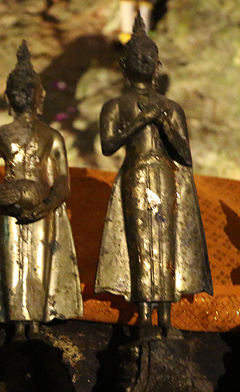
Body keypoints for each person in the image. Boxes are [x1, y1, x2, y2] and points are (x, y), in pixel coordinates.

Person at [95, 16, 212, 338]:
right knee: (140, 243)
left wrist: (165, 125)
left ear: (157, 65)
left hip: (165, 172)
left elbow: (185, 155)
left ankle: (167, 315)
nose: (143, 62)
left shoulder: (170, 107)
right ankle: (144, 313)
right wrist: (141, 119)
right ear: (123, 64)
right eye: (137, 58)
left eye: (149, 58)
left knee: (166, 242)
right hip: (135, 172)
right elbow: (108, 145)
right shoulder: (115, 105)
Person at [0, 41, 82, 341]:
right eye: (17, 91)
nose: (23, 96)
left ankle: (38, 324)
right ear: (7, 97)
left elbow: (63, 179)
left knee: (41, 265)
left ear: (40, 96)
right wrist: (4, 196)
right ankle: (17, 327)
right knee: (13, 265)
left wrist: (49, 202)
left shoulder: (52, 136)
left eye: (29, 91)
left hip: (44, 204)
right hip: (9, 207)